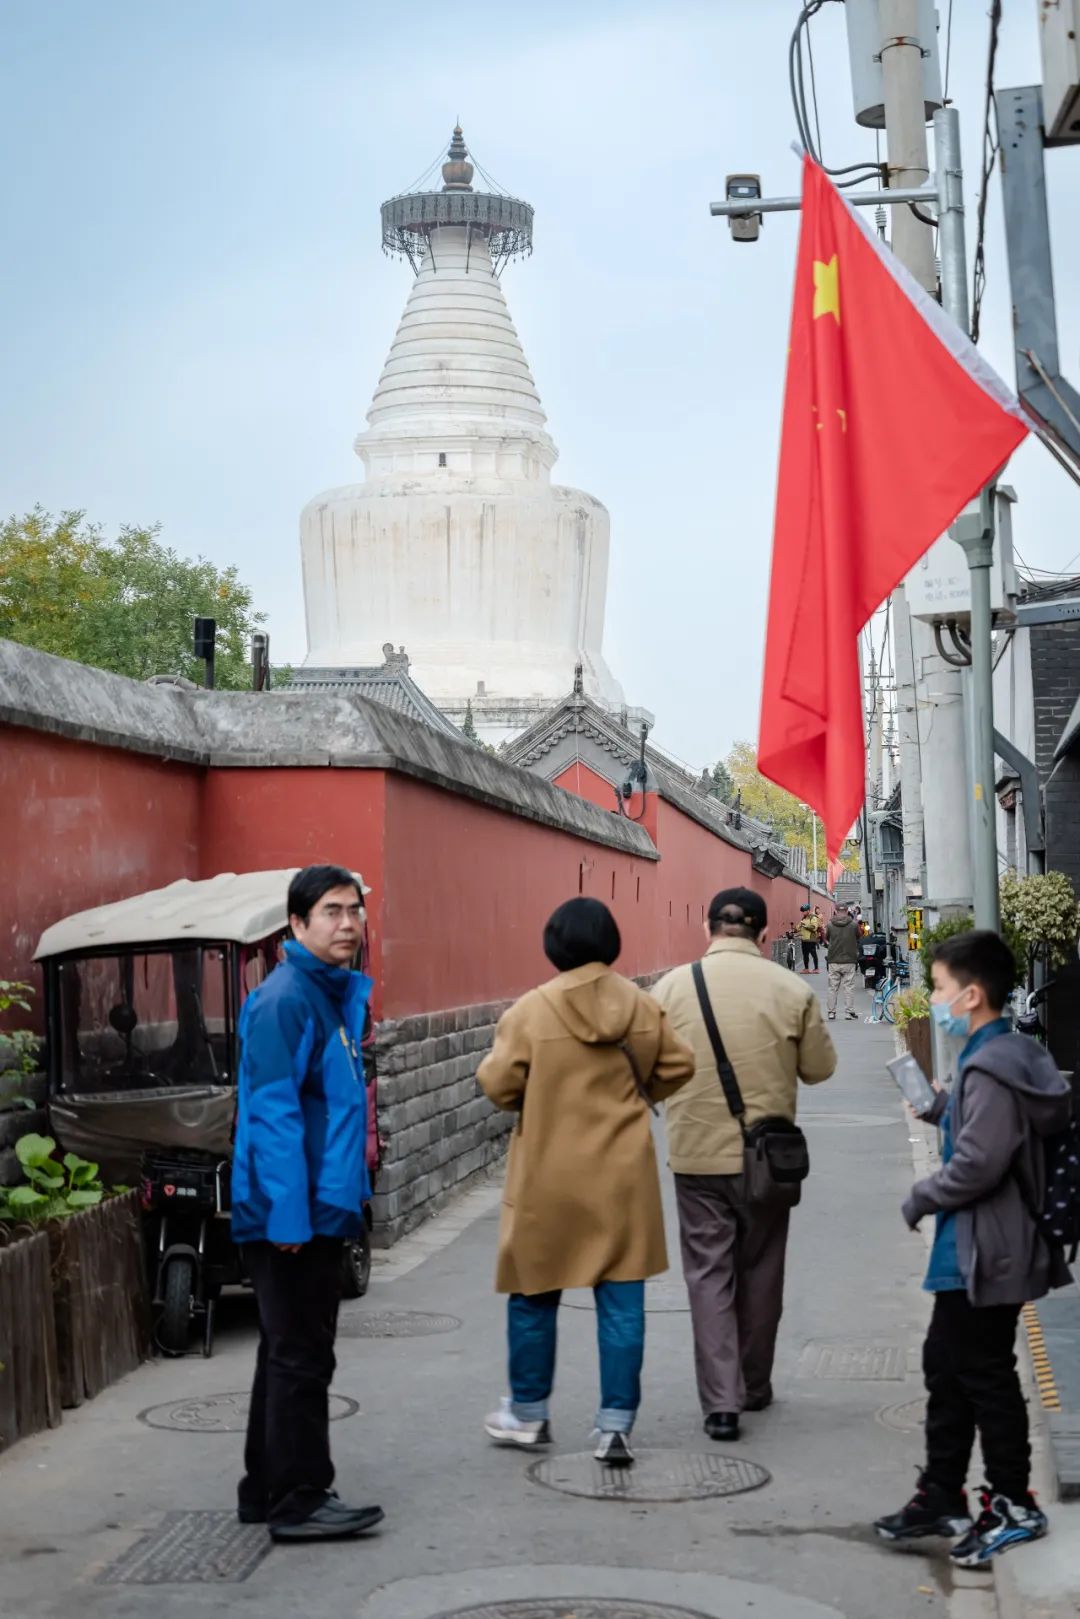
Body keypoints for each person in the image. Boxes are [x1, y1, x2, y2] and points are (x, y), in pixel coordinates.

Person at [874, 930, 1071, 1568]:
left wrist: (920, 1197)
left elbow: (981, 1162)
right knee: (948, 1366)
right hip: (977, 1244)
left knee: (983, 1374)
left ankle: (1014, 1502)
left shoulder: (990, 1064)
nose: (933, 998)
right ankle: (941, 1494)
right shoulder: (1002, 1053)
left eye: (938, 988)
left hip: (986, 1245)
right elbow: (983, 1129)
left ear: (973, 994)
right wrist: (939, 1109)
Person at [477, 897, 695, 1467]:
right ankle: (615, 1425)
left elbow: (499, 1087)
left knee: (532, 1294)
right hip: (623, 1174)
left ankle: (526, 1412)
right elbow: (679, 1065)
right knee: (622, 1302)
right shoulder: (640, 1006)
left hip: (547, 1171)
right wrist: (637, 1094)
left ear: (553, 945)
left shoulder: (530, 1011)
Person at [231, 865, 384, 1544]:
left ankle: (265, 1486)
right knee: (302, 1355)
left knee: (284, 1349)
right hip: (292, 1213)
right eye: (330, 911)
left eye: (354, 910)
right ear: (296, 924)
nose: (347, 922)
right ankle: (299, 1497)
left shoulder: (325, 994)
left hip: (318, 1204)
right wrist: (290, 1217)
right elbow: (272, 1114)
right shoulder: (286, 998)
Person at [653, 888, 836, 1441]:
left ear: (707, 929)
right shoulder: (790, 988)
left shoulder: (669, 988)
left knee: (709, 1274)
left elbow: (649, 1070)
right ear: (763, 934)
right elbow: (819, 1069)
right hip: (768, 1159)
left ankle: (720, 1402)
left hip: (697, 1156)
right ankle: (755, 1385)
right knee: (761, 1269)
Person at [825, 903, 861, 1021]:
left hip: (833, 960)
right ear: (846, 911)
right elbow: (858, 937)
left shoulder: (830, 925)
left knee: (832, 987)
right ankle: (848, 1012)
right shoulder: (854, 924)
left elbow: (826, 938)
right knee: (849, 987)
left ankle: (831, 1012)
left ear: (835, 911)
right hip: (849, 959)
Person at [797, 904, 820, 974]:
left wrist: (805, 925)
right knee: (805, 955)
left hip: (811, 939)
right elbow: (799, 927)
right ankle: (806, 969)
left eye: (804, 911)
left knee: (813, 954)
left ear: (808, 911)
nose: (803, 912)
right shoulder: (803, 918)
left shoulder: (813, 917)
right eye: (802, 911)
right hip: (804, 939)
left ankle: (816, 968)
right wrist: (796, 928)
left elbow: (814, 927)